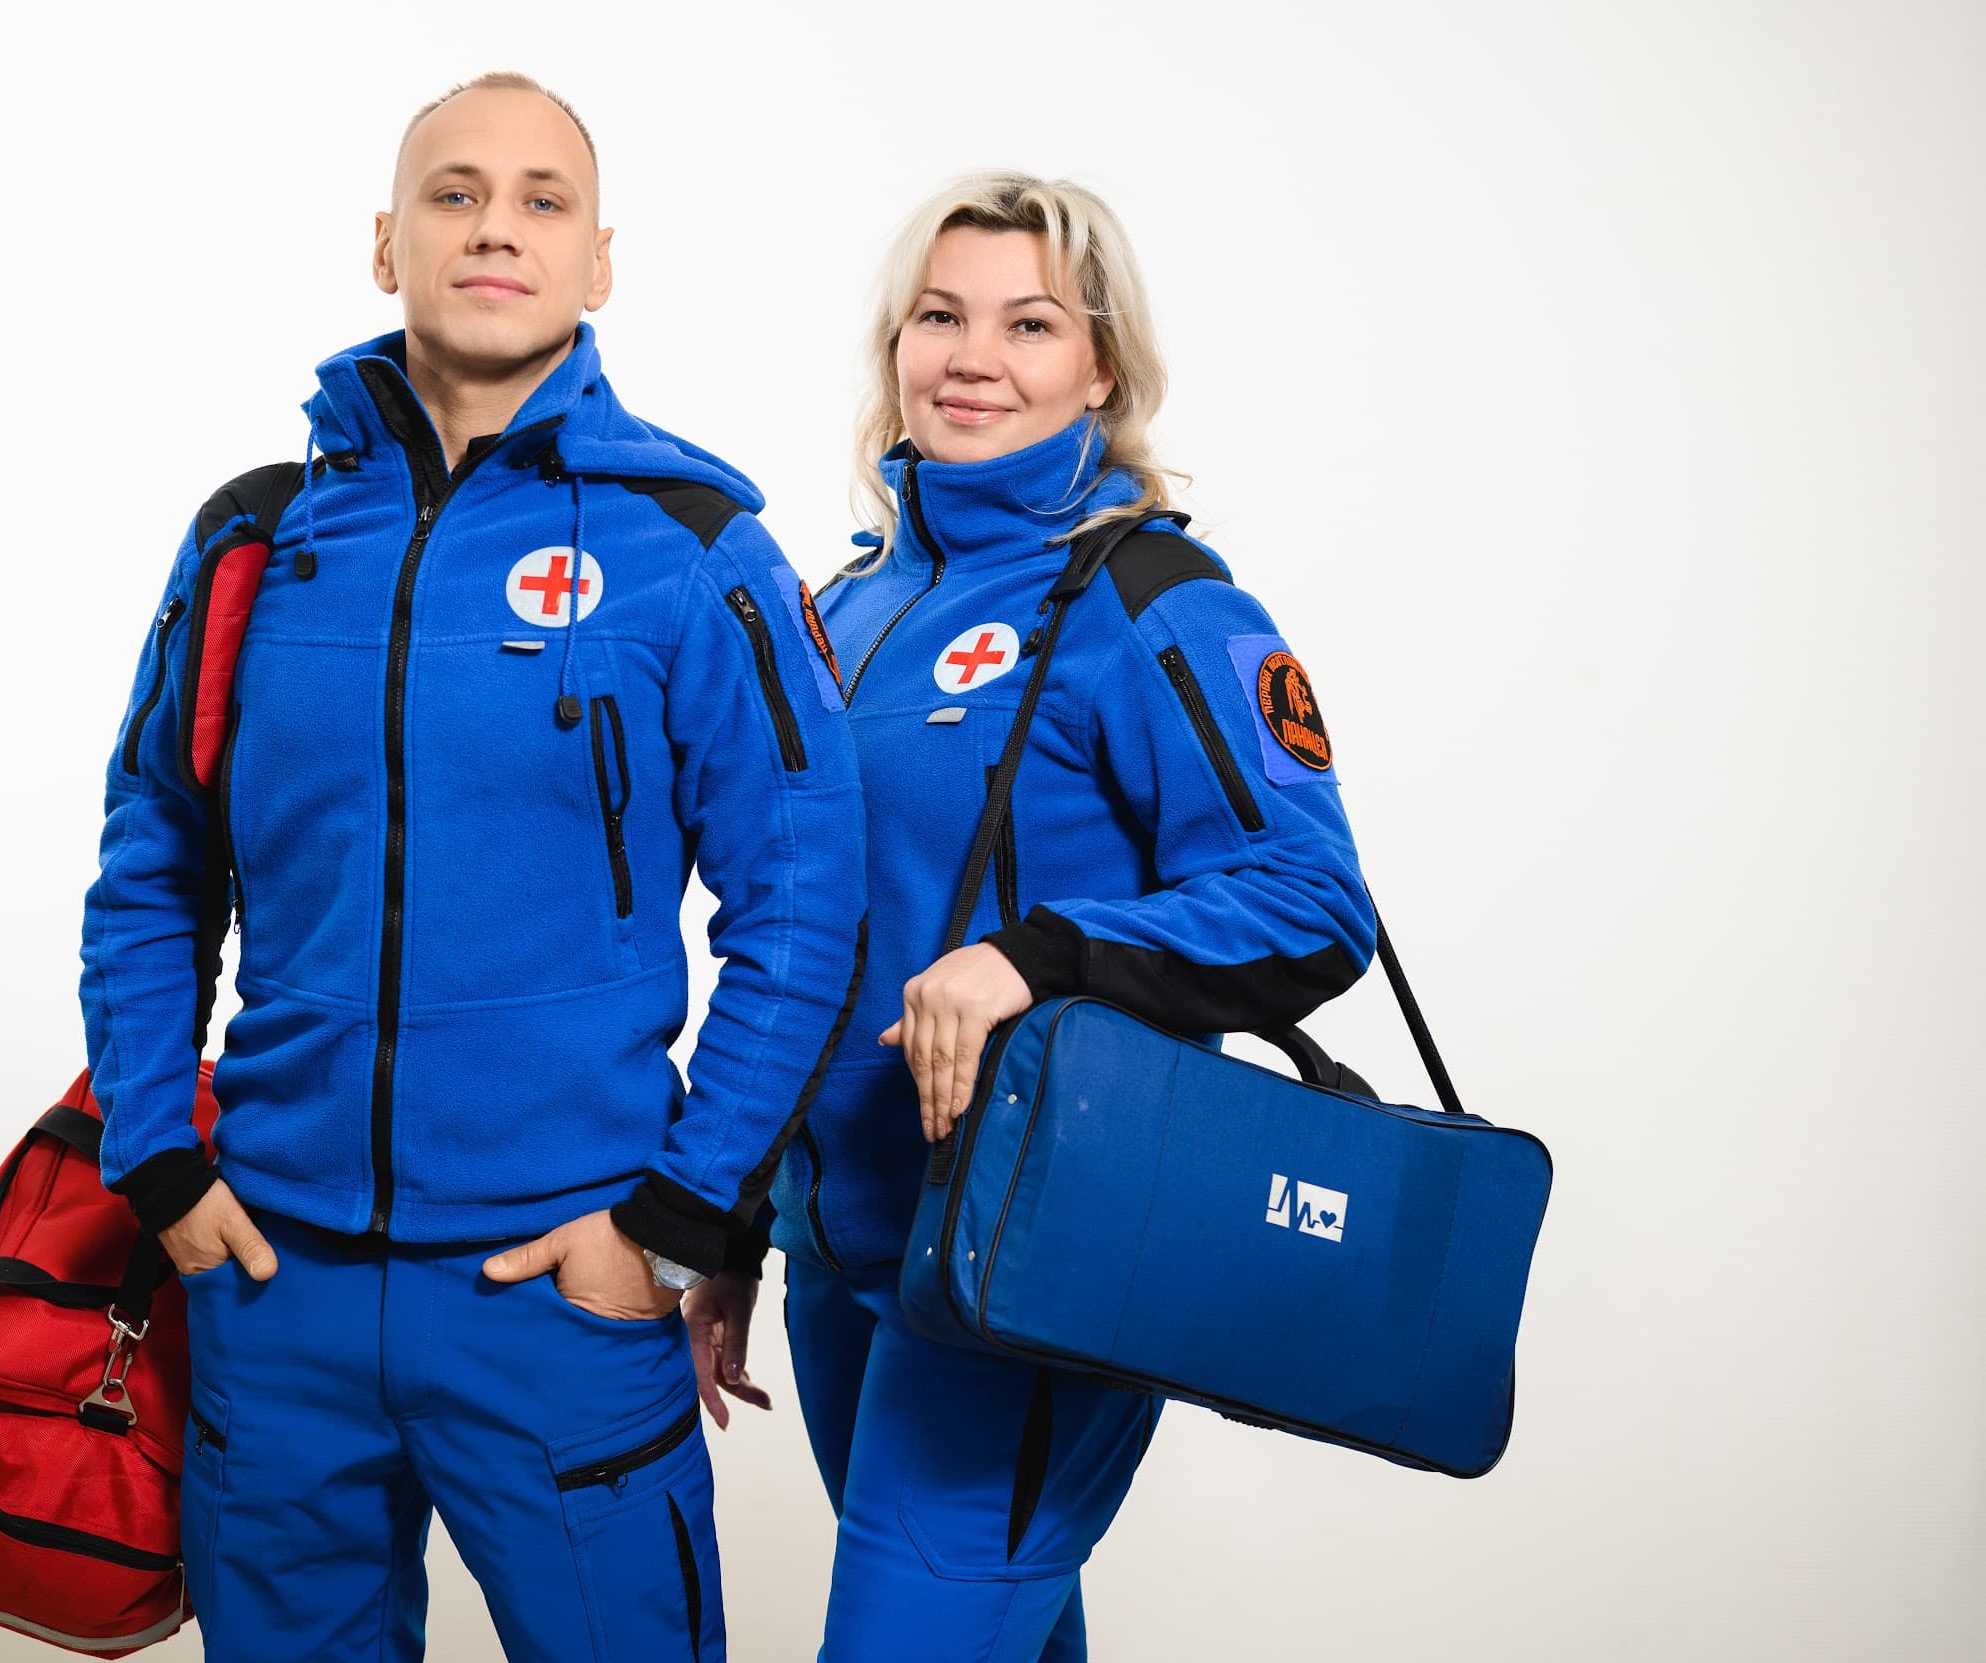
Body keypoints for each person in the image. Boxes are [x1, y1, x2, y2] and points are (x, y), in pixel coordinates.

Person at [78, 73, 866, 1662]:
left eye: (541, 199)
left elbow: (804, 905)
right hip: (275, 1286)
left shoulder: (689, 545)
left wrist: (673, 1225)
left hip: (562, 1295)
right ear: (386, 244)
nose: (496, 227)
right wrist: (158, 1156)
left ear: (598, 263)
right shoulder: (255, 541)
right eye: (454, 193)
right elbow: (156, 859)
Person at [681, 174, 1377, 1660]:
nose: (973, 358)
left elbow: (1314, 903)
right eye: (940, 316)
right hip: (841, 1253)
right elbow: (802, 941)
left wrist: (1028, 959)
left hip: (1032, 1252)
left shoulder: (1153, 598)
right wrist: (734, 1224)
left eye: (1031, 324)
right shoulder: (840, 611)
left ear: (1102, 368)